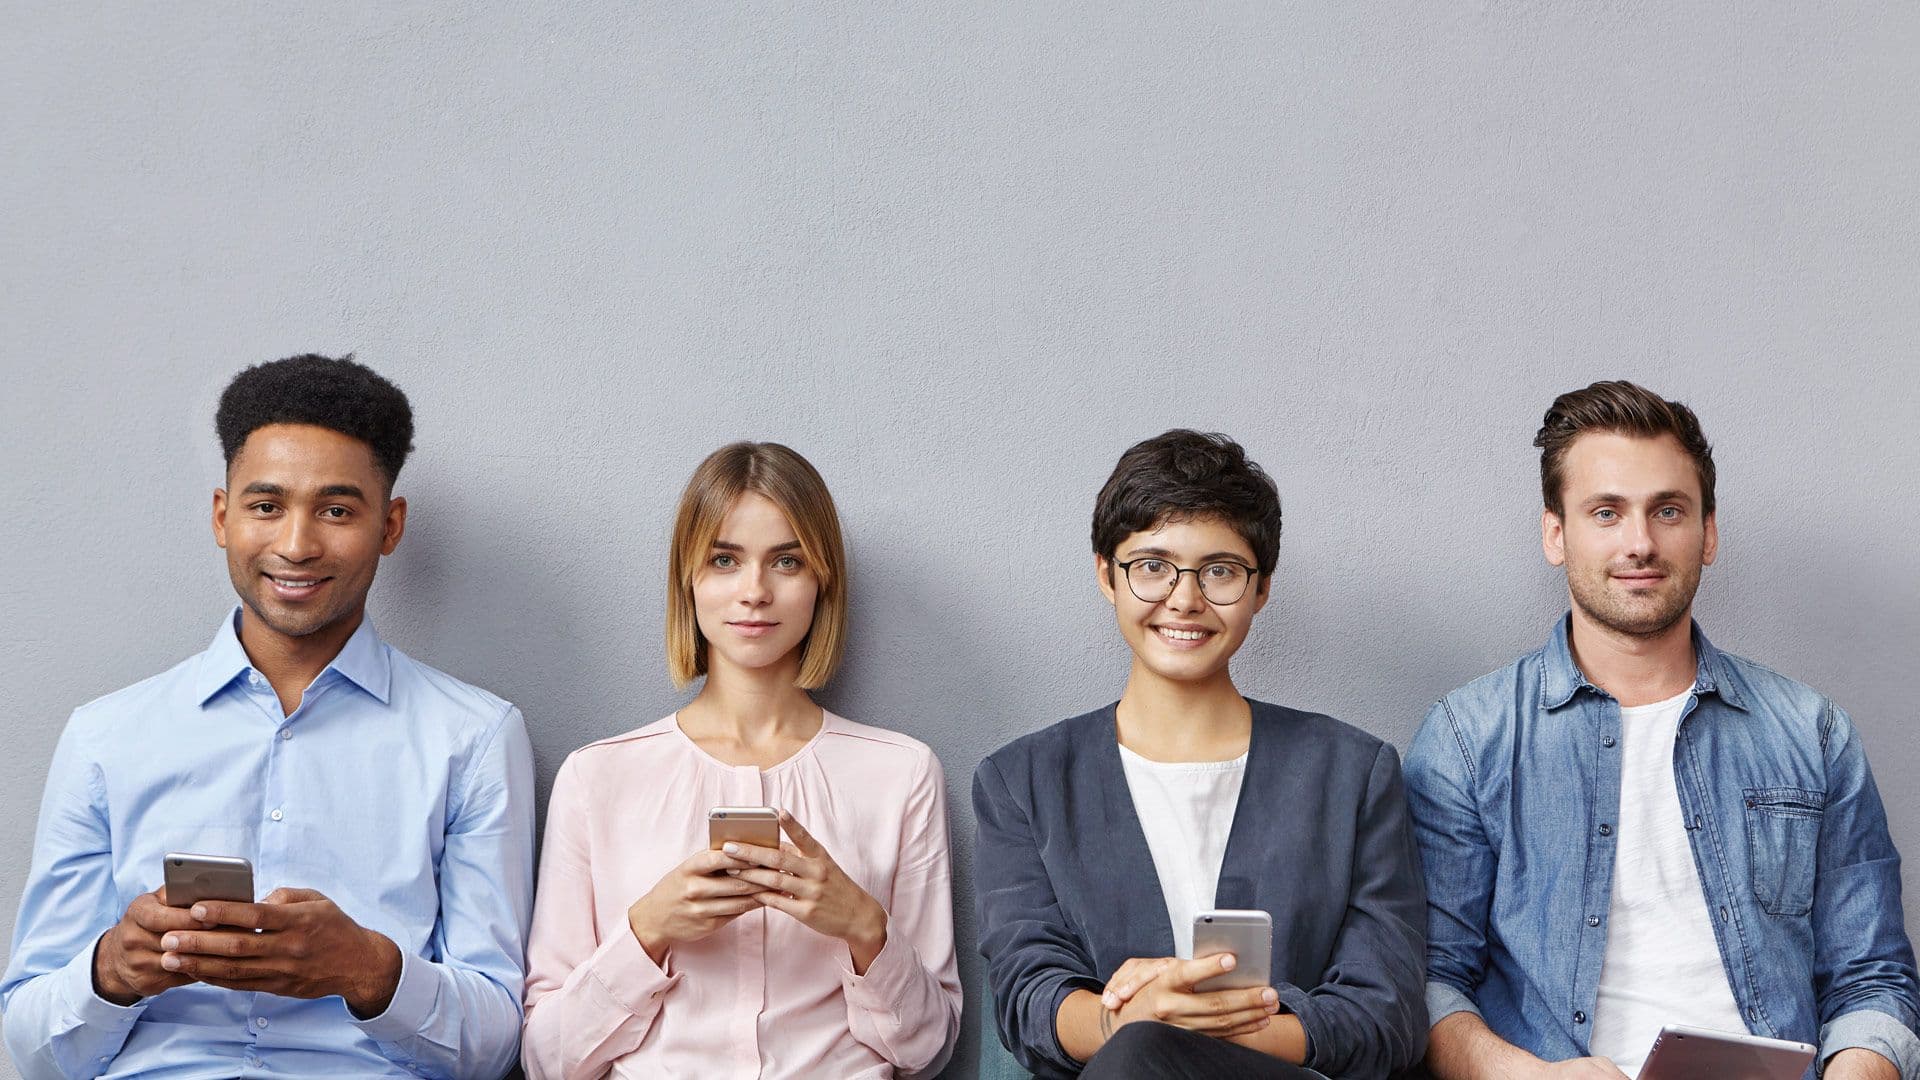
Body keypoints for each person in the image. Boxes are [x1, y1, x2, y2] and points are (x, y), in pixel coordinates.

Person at [1, 354, 535, 1079]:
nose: (296, 545)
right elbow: (30, 1050)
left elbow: (497, 1045)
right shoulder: (104, 736)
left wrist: (368, 969)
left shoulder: (473, 738)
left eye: (337, 510)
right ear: (223, 517)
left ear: (390, 525)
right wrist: (113, 971)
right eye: (266, 506)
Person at [1407, 380, 1920, 1080]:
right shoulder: (1468, 740)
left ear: (1708, 533)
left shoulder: (1813, 733)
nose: (1640, 542)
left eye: (1668, 511)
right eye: (1607, 512)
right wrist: (1525, 1076)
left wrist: (1857, 1073)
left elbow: (1873, 976)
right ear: (1556, 534)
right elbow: (1428, 979)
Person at [973, 429, 1428, 1079]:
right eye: (1152, 566)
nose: (1184, 599)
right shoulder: (1023, 783)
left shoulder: (1352, 775)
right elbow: (1028, 997)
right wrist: (1124, 1022)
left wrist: (1192, 1030)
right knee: (1133, 1051)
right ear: (1107, 574)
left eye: (1219, 570)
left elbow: (1386, 1017)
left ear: (1261, 587)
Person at [520, 441, 960, 1079]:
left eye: (787, 561)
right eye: (724, 560)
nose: (754, 592)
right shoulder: (597, 778)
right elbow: (547, 1060)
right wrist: (647, 932)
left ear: (822, 582)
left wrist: (865, 929)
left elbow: (929, 1053)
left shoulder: (902, 773)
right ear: (689, 580)